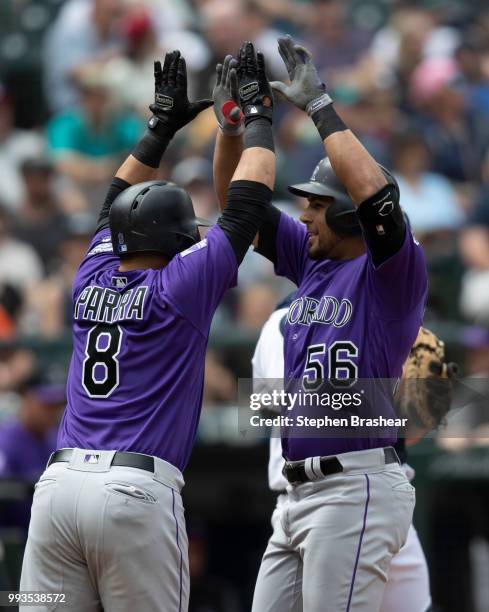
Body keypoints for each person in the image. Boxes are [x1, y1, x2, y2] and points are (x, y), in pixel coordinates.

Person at [19, 44, 276, 612]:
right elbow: (248, 203)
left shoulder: (91, 273)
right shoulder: (179, 288)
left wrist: (158, 128)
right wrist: (258, 118)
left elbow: (113, 202)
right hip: (134, 491)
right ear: (176, 240)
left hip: (56, 488)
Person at [213, 37, 427, 611]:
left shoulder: (392, 274)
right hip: (298, 492)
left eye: (314, 202)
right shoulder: (312, 259)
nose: (304, 212)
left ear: (343, 211)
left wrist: (319, 108)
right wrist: (235, 131)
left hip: (354, 485)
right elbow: (239, 213)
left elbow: (380, 200)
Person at [252, 298, 450, 612]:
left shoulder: (277, 320)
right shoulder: (368, 311)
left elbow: (268, 408)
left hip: (322, 498)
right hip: (356, 492)